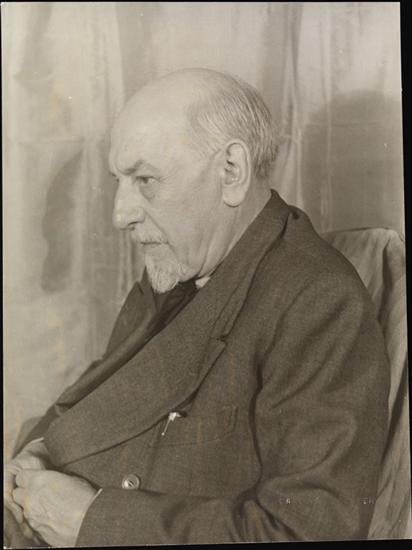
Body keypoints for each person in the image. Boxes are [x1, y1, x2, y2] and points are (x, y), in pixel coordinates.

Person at [4, 68, 390, 546]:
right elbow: (98, 391)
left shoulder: (318, 302)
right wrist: (39, 454)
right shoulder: (179, 265)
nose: (120, 214)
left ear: (231, 171)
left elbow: (309, 531)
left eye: (145, 179)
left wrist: (92, 523)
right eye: (120, 181)